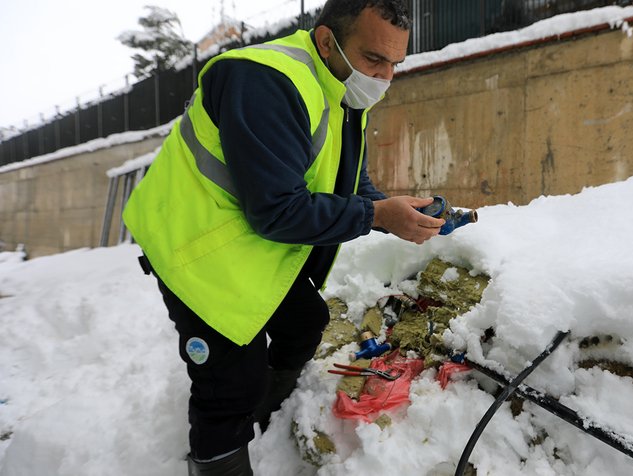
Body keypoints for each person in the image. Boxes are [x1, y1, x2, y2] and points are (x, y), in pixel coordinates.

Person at [122, 1, 444, 474]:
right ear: (326, 41)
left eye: (396, 63)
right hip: (196, 247)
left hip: (248, 240)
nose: (387, 76)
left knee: (304, 322)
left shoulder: (340, 90)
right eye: (375, 59)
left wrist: (390, 207)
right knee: (229, 382)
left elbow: (345, 183)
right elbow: (279, 211)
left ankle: (267, 414)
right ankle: (220, 450)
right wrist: (377, 215)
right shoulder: (267, 81)